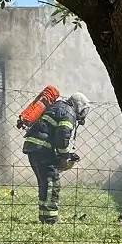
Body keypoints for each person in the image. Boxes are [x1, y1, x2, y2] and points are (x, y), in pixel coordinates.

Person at [23, 92, 90, 224]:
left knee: (45, 183)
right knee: (52, 183)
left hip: (34, 147)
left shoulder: (58, 106)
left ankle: (44, 216)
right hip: (42, 148)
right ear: (78, 105)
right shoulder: (69, 113)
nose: (83, 114)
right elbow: (62, 137)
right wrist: (65, 155)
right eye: (83, 110)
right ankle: (49, 219)